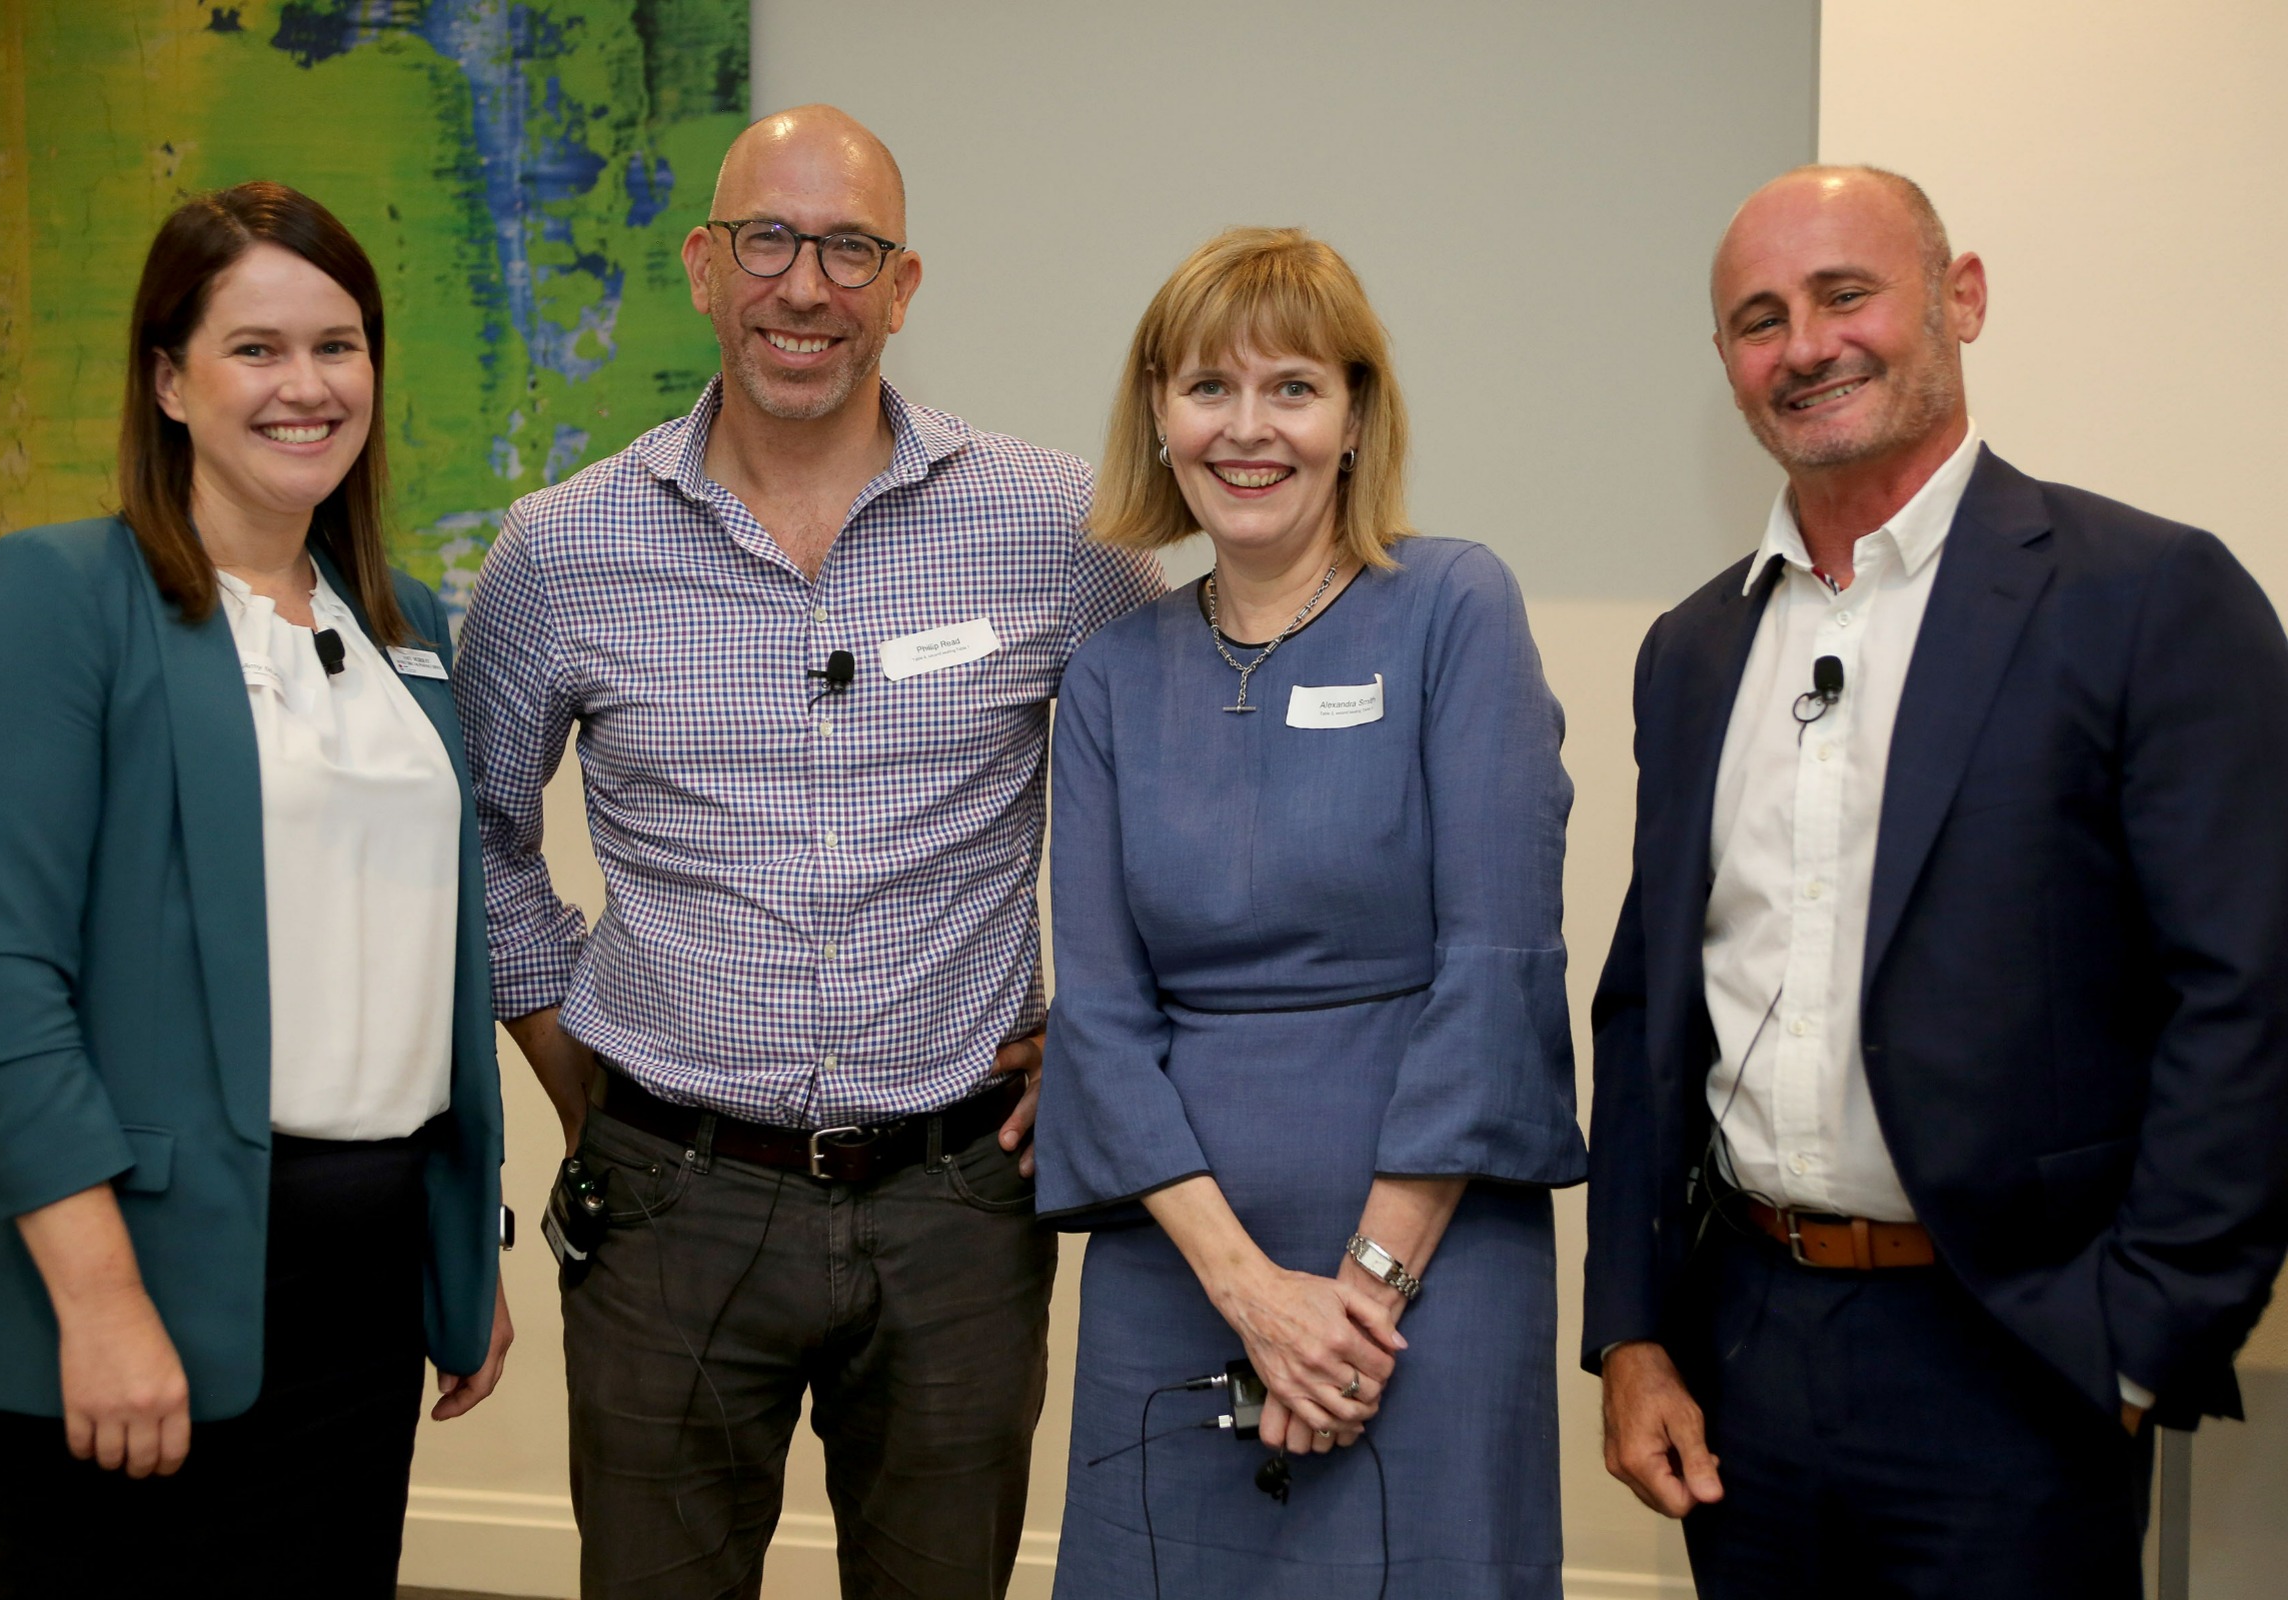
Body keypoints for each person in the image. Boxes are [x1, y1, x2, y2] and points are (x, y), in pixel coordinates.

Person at [452, 104, 1164, 1599]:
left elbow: (1176, 797)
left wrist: (1100, 1030)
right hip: (669, 1203)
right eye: (769, 240)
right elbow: (481, 834)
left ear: (902, 290)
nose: (806, 286)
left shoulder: (1054, 531)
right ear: (707, 268)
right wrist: (583, 1061)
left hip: (960, 1208)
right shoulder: (564, 548)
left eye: (850, 248)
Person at [1584, 164, 2288, 1597]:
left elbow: (2250, 991)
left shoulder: (2145, 595)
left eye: (1847, 294)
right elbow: (1650, 1004)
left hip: (2019, 1360)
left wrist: (2145, 1336)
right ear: (1727, 364)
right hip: (1746, 1353)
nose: (1806, 345)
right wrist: (1634, 1332)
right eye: (1759, 319)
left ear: (1958, 300)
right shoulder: (1695, 649)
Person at [0, 181, 512, 1599]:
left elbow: (415, 952)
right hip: (140, 1285)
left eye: (339, 343)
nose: (305, 385)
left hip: (363, 1294)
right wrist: (103, 1298)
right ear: (169, 378)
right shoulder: (63, 596)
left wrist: (460, 1244)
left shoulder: (404, 621)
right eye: (255, 348)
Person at [1034, 227, 1586, 1598]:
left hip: (1424, 1268)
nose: (1248, 428)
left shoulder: (1454, 608)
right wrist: (1252, 1295)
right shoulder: (1110, 672)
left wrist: (1360, 1296)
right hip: (1181, 1265)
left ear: (1356, 416)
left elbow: (1500, 964)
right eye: (1208, 388)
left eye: (1293, 388)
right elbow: (1099, 1019)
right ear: (1157, 418)